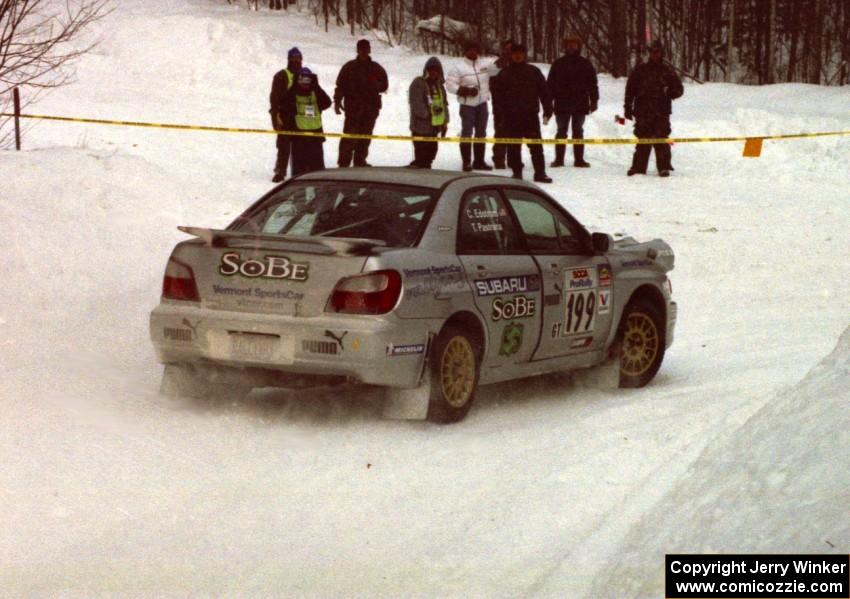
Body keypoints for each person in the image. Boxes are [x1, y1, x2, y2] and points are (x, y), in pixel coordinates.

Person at [490, 43, 553, 183]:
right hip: (511, 116)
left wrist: (548, 109)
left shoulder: (534, 71)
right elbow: (497, 98)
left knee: (536, 146)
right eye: (515, 53)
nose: (517, 56)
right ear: (511, 55)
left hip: (530, 116)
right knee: (513, 146)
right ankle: (517, 173)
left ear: (524, 55)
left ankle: (540, 173)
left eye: (520, 53)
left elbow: (544, 91)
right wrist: (499, 116)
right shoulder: (504, 73)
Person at [623, 40, 684, 177]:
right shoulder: (640, 69)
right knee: (643, 139)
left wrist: (670, 93)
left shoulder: (667, 71)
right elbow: (630, 88)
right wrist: (627, 106)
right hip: (642, 111)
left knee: (661, 139)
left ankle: (663, 167)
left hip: (661, 111)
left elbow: (679, 89)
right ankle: (638, 167)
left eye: (658, 52)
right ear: (650, 53)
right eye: (653, 52)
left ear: (662, 53)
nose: (655, 54)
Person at [333, 39, 388, 168]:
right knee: (349, 137)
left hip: (370, 109)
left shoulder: (376, 68)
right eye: (361, 49)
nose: (364, 51)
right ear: (357, 50)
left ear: (369, 50)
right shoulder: (349, 67)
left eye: (366, 48)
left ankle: (360, 161)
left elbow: (384, 85)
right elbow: (340, 86)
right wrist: (336, 101)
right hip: (353, 109)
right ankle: (343, 163)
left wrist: (376, 85)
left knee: (365, 137)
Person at [547, 35, 599, 168]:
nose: (571, 47)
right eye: (569, 44)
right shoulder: (558, 63)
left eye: (574, 44)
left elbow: (593, 83)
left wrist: (594, 100)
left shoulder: (585, 63)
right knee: (561, 131)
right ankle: (559, 159)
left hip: (580, 103)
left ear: (578, 46)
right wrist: (548, 103)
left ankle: (579, 159)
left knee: (578, 131)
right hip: (562, 103)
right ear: (565, 47)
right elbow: (550, 85)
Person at [446, 40, 498, 172]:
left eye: (475, 49)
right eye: (470, 49)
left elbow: (496, 69)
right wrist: (466, 91)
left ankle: (479, 161)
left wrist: (503, 60)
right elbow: (450, 85)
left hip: (482, 104)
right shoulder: (458, 67)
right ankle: (466, 162)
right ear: (466, 51)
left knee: (481, 133)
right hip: (467, 105)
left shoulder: (485, 64)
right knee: (467, 133)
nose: (473, 52)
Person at [280, 67, 332, 177]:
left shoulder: (315, 92)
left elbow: (327, 103)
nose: (305, 84)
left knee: (317, 170)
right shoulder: (292, 94)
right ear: (297, 80)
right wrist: (294, 87)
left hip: (315, 137)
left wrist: (316, 86)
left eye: (308, 80)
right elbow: (284, 105)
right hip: (298, 138)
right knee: (299, 172)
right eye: (302, 80)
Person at [408, 57, 449, 169]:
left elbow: (444, 104)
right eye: (431, 70)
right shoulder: (418, 83)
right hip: (420, 128)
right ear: (426, 70)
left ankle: (424, 172)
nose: (433, 73)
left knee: (431, 154)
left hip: (434, 128)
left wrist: (445, 122)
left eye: (436, 70)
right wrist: (429, 114)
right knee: (421, 156)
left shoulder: (439, 85)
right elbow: (416, 104)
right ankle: (418, 176)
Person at [269, 47, 303, 182]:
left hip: (301, 116)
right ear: (289, 60)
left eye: (298, 59)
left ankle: (299, 172)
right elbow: (274, 97)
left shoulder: (306, 75)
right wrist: (274, 115)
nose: (296, 61)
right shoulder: (281, 75)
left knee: (301, 145)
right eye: (294, 59)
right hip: (285, 116)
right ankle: (280, 171)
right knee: (283, 145)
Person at [490, 39, 515, 169]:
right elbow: (492, 85)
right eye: (507, 48)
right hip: (500, 104)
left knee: (514, 133)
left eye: (512, 48)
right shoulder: (497, 65)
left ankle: (513, 158)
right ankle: (499, 158)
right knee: (500, 132)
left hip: (516, 105)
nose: (509, 51)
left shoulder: (519, 63)